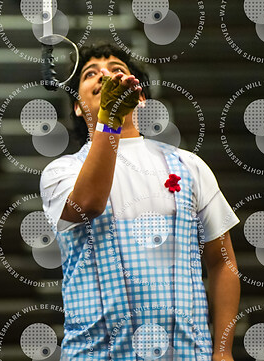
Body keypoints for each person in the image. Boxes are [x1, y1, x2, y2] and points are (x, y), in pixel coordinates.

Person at [40, 43, 240, 360]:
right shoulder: (61, 171)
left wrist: (223, 352)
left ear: (140, 96)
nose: (105, 76)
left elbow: (221, 262)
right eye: (91, 74)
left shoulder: (188, 166)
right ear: (77, 106)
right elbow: (89, 204)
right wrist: (110, 118)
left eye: (117, 70)